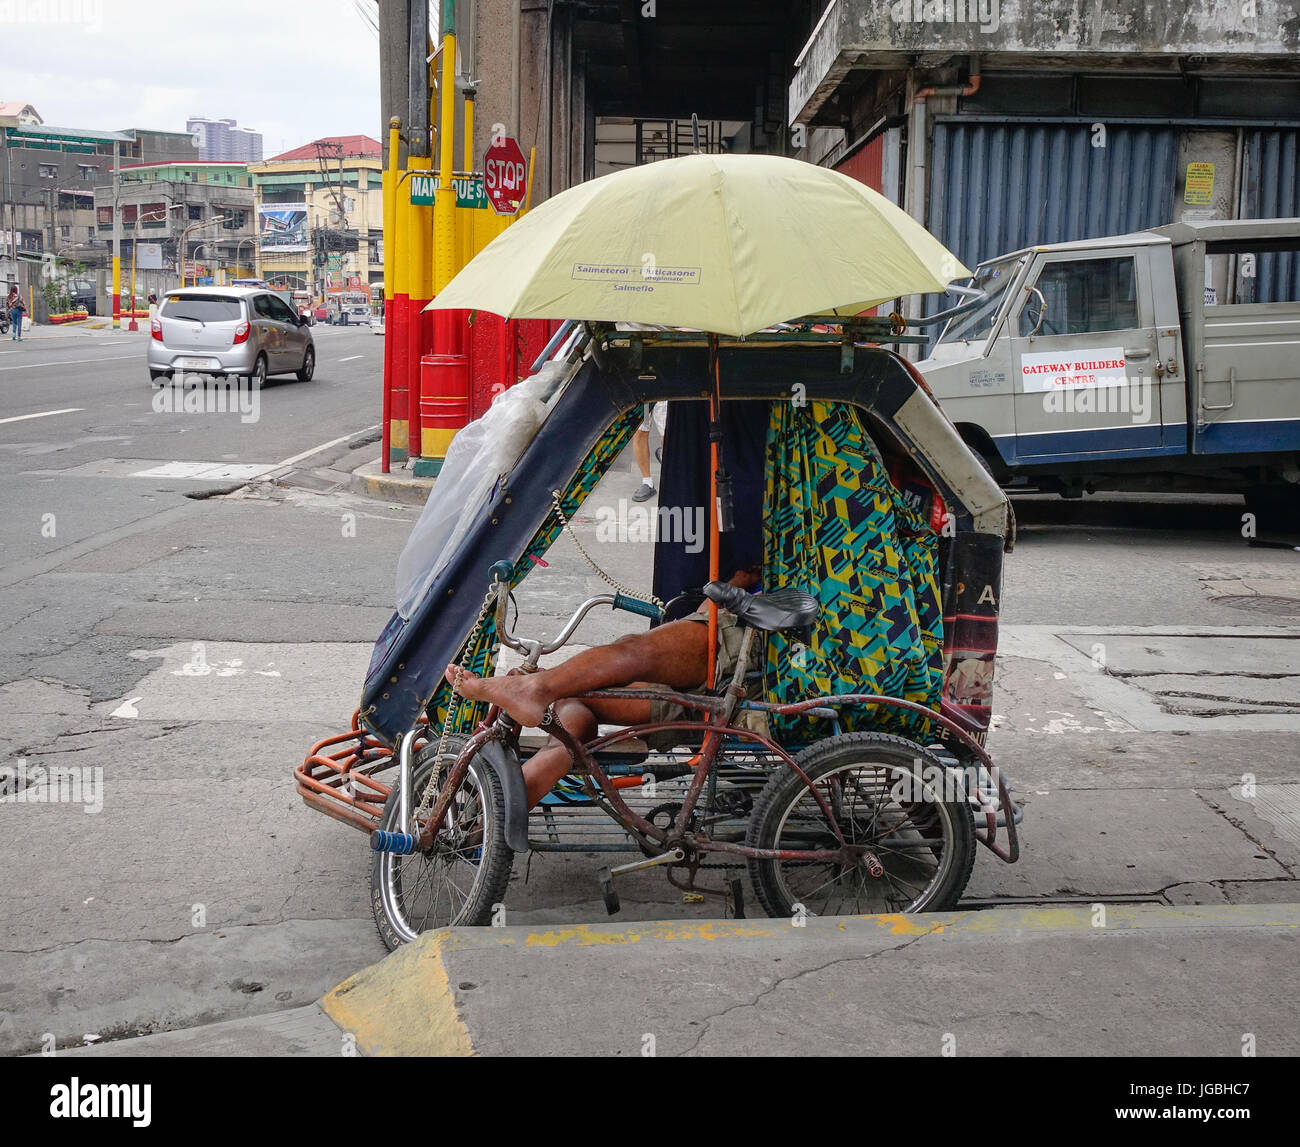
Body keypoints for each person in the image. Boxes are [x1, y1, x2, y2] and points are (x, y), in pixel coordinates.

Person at [447, 562, 763, 808]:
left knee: (632, 653)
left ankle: (536, 688)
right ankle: (495, 810)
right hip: (709, 673)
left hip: (740, 653)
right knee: (574, 700)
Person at [631, 400, 667, 502]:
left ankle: (669, 470)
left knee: (667, 435)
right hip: (644, 396)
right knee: (640, 432)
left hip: (662, 393)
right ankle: (647, 482)